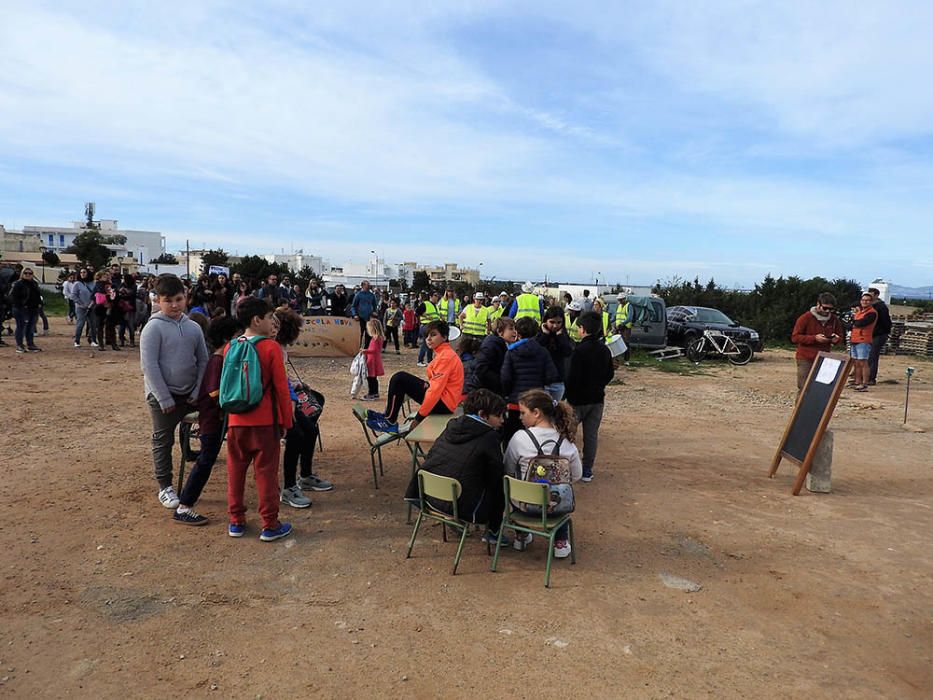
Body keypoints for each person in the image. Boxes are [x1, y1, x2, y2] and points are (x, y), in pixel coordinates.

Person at [225, 296, 295, 541]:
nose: (271, 323)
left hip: (235, 421)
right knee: (266, 473)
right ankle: (270, 524)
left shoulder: (230, 346)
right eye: (268, 318)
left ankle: (236, 521)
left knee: (235, 471)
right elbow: (281, 389)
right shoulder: (270, 348)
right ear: (257, 320)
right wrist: (287, 421)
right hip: (265, 422)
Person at [140, 274, 210, 510]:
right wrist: (164, 397)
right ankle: (165, 486)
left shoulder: (193, 327)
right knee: (162, 439)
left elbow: (203, 360)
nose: (174, 305)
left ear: (186, 297)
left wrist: (197, 391)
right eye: (168, 300)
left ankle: (200, 467)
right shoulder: (153, 327)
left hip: (190, 394)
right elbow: (149, 366)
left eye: (178, 299)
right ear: (158, 300)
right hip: (163, 397)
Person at [404, 389, 509, 543]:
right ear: (482, 415)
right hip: (459, 505)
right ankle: (493, 532)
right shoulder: (489, 437)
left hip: (427, 496)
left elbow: (431, 455)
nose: (502, 420)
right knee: (498, 487)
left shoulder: (451, 426)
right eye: (499, 415)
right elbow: (497, 475)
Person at [173, 315, 242, 525]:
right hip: (212, 420)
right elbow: (214, 392)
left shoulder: (222, 359)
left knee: (208, 459)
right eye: (238, 337)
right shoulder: (217, 361)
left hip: (216, 418)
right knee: (205, 460)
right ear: (227, 339)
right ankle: (184, 506)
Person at [504, 389, 582, 559]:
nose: (520, 417)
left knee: (517, 483)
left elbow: (508, 469)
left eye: (523, 412)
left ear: (536, 413)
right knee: (559, 491)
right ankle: (560, 542)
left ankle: (521, 536)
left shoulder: (519, 438)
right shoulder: (566, 441)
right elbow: (576, 475)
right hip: (556, 507)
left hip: (525, 506)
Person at [369, 320, 464, 432]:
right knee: (401, 379)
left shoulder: (445, 357)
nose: (428, 339)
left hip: (444, 404)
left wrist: (419, 418)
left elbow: (434, 392)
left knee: (399, 378)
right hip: (445, 400)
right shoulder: (443, 353)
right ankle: (388, 416)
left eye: (433, 335)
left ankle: (389, 420)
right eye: (427, 335)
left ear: (444, 337)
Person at [564, 311, 614, 482]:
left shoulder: (578, 351)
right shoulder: (605, 350)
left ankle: (566, 467)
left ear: (582, 329)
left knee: (568, 434)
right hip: (597, 399)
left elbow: (571, 377)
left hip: (577, 400)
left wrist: (569, 397)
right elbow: (609, 374)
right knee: (591, 436)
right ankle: (587, 470)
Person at [273, 308, 313, 510]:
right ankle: (289, 487)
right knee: (296, 435)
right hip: (280, 403)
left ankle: (306, 475)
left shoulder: (281, 348)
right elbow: (279, 382)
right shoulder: (274, 349)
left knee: (311, 429)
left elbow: (285, 378)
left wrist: (297, 384)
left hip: (289, 399)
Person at [501, 317, 560, 444]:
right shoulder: (542, 351)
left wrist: (508, 393)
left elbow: (505, 378)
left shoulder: (511, 352)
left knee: (512, 438)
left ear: (517, 332)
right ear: (536, 333)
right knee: (536, 440)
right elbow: (552, 375)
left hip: (516, 402)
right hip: (536, 403)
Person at [790, 292, 844, 393]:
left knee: (821, 388)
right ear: (818, 304)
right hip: (806, 358)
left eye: (831, 309)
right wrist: (814, 338)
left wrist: (836, 339)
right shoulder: (805, 318)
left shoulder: (834, 320)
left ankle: (817, 408)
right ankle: (802, 408)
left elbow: (840, 336)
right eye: (825, 308)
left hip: (824, 359)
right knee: (804, 388)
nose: (827, 311)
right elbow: (795, 337)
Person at [464, 316, 517, 395]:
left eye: (515, 329)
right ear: (500, 332)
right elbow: (481, 369)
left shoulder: (503, 345)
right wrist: (501, 382)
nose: (515, 332)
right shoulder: (491, 345)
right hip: (484, 390)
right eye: (511, 329)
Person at [536, 306, 575, 401]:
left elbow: (567, 352)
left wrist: (560, 337)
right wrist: (545, 335)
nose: (555, 326)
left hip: (558, 381)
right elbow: (536, 351)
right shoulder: (539, 335)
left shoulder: (563, 336)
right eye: (552, 322)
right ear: (546, 321)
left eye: (558, 322)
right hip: (542, 381)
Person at [850, 292, 878, 392]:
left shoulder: (872, 313)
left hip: (863, 340)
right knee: (856, 362)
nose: (864, 302)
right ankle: (857, 382)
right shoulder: (860, 312)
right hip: (855, 339)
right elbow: (853, 323)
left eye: (867, 300)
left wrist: (853, 323)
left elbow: (860, 323)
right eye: (863, 300)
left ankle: (865, 383)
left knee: (863, 362)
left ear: (871, 302)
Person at [10, 267, 42, 353]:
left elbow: (38, 295)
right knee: (21, 326)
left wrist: (39, 304)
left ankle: (30, 344)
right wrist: (21, 306)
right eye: (26, 273)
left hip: (33, 309)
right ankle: (19, 345)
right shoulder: (18, 284)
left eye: (30, 273)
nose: (28, 275)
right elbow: (14, 297)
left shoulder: (34, 283)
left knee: (30, 327)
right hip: (21, 309)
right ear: (22, 274)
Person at [867, 287, 892, 386]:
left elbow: (886, 322)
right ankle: (864, 376)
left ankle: (871, 378)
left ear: (876, 295)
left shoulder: (881, 307)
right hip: (870, 334)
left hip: (879, 334)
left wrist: (883, 332)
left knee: (873, 355)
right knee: (867, 356)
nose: (869, 296)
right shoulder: (869, 306)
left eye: (871, 294)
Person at [362, 318, 386, 401]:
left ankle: (372, 393)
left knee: (371, 378)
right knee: (373, 378)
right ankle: (374, 393)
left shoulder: (376, 338)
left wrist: (365, 351)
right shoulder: (377, 338)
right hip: (373, 359)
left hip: (373, 360)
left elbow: (374, 350)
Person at [72, 268, 96, 348]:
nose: (83, 274)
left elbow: (95, 294)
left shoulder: (93, 283)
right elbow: (74, 295)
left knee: (93, 324)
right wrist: (80, 303)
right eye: (81, 272)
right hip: (81, 307)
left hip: (92, 306)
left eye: (84, 272)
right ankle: (77, 340)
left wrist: (92, 303)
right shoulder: (77, 284)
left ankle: (93, 340)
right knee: (80, 324)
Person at [350, 279, 378, 348]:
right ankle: (358, 348)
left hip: (370, 318)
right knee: (360, 334)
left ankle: (367, 349)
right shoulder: (358, 295)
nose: (368, 286)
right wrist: (355, 315)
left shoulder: (372, 295)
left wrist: (375, 311)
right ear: (363, 286)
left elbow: (375, 305)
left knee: (369, 334)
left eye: (369, 285)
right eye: (367, 285)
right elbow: (353, 306)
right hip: (360, 318)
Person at [417, 290, 441, 366]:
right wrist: (426, 316)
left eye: (437, 296)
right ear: (430, 296)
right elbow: (417, 311)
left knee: (428, 343)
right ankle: (421, 361)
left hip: (432, 326)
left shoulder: (436, 305)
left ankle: (428, 360)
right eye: (435, 295)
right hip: (426, 326)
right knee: (426, 343)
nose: (437, 297)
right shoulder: (425, 304)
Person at [613, 291, 634, 361]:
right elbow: (616, 316)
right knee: (616, 344)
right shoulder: (619, 306)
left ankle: (626, 360)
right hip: (618, 327)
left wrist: (622, 324)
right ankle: (616, 359)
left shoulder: (629, 306)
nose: (620, 301)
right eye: (619, 300)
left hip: (626, 327)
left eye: (621, 299)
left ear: (625, 299)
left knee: (626, 343)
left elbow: (630, 317)